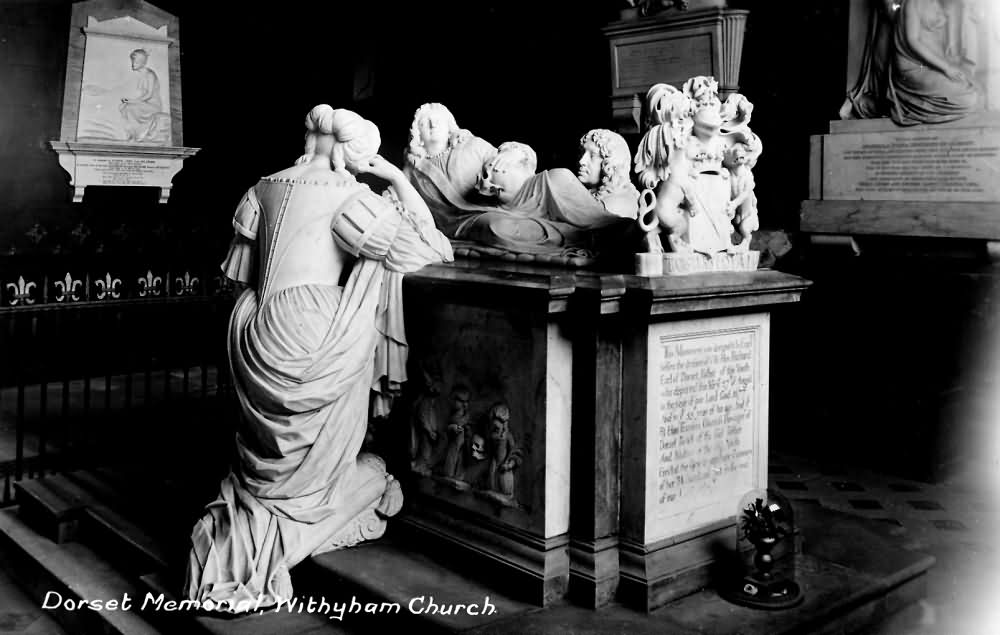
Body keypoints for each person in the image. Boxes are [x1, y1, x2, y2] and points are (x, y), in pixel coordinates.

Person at [183, 105, 453, 612]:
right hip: (316, 333)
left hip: (255, 329)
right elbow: (433, 250)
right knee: (357, 473)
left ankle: (271, 509)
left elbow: (240, 273)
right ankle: (301, 518)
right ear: (354, 151)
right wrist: (395, 177)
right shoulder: (350, 198)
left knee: (277, 455)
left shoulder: (262, 187)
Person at [841, 0, 979, 125]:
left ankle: (906, 105)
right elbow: (913, 41)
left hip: (932, 67)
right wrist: (946, 68)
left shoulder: (936, 3)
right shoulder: (912, 3)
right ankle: (885, 106)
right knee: (968, 98)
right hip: (913, 70)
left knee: (974, 91)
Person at [119, 49, 170, 143]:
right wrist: (130, 100)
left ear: (142, 63)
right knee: (124, 106)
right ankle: (133, 134)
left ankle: (139, 135)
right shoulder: (142, 75)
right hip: (145, 104)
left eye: (136, 62)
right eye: (133, 61)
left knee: (130, 107)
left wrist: (132, 101)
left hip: (153, 106)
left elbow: (149, 95)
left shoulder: (150, 75)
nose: (133, 64)